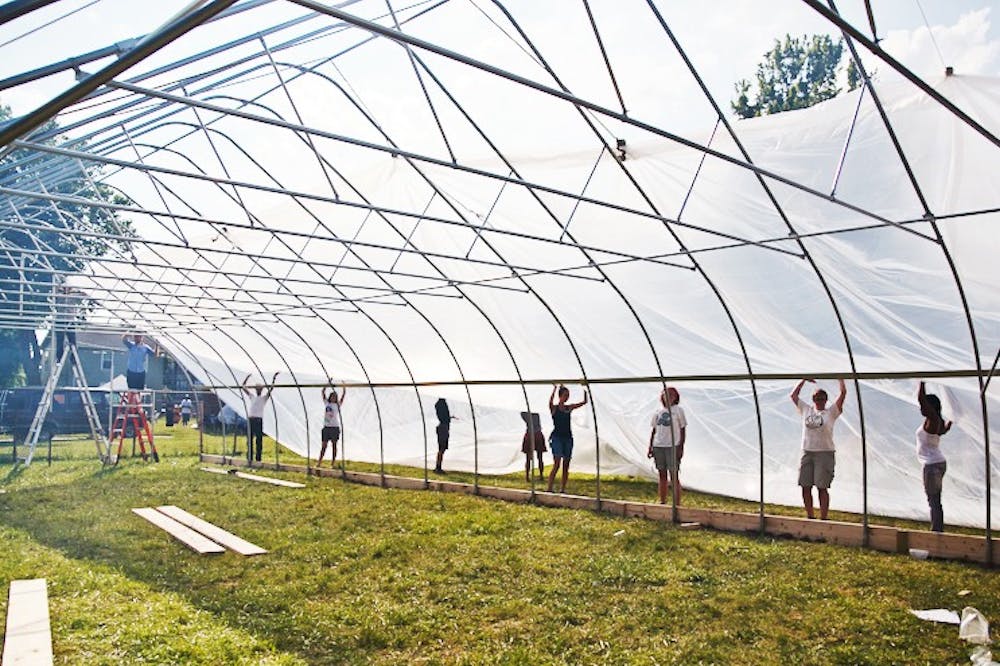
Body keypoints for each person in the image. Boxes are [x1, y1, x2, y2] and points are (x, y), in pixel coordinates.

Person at [790, 377, 847, 520]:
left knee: (822, 487)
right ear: (813, 400)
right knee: (805, 485)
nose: (819, 401)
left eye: (822, 398)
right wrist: (803, 380)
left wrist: (840, 380)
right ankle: (810, 516)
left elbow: (843, 394)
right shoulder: (806, 410)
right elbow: (793, 396)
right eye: (816, 398)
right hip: (807, 451)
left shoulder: (831, 412)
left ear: (826, 400)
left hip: (824, 453)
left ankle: (823, 518)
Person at [917, 381, 952, 532]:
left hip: (932, 465)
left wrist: (921, 381)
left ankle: (937, 531)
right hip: (938, 462)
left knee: (933, 500)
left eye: (924, 407)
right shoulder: (937, 422)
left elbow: (921, 399)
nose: (921, 409)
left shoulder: (933, 420)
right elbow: (945, 430)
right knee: (935, 499)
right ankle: (938, 529)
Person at [647, 387, 687, 505]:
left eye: (670, 395)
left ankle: (676, 503)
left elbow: (683, 429)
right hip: (659, 445)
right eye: (665, 395)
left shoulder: (678, 411)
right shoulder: (658, 412)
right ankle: (662, 501)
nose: (667, 397)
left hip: (672, 446)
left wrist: (680, 446)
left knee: (673, 474)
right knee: (662, 474)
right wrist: (650, 446)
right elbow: (654, 430)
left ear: (675, 397)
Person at [546, 384, 588, 493]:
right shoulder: (554, 408)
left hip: (568, 438)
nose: (567, 397)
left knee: (566, 465)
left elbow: (584, 402)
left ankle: (562, 489)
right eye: (565, 395)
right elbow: (549, 403)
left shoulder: (568, 408)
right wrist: (554, 389)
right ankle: (549, 488)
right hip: (557, 437)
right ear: (560, 396)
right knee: (557, 463)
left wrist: (585, 389)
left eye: (568, 395)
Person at [242, 372, 279, 463]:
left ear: (261, 390)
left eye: (260, 389)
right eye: (257, 389)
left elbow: (271, 389)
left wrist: (274, 379)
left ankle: (258, 458)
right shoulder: (252, 397)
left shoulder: (264, 398)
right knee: (250, 439)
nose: (258, 390)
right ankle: (250, 457)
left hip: (258, 420)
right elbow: (243, 387)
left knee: (259, 439)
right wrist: (247, 377)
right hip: (251, 419)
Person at [319, 380, 346, 468]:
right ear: (330, 397)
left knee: (334, 445)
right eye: (332, 396)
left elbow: (343, 397)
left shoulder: (337, 405)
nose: (333, 398)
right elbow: (322, 392)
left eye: (335, 397)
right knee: (324, 446)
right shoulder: (327, 403)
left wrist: (344, 387)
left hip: (334, 428)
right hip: (326, 427)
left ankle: (333, 463)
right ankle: (319, 461)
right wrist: (328, 383)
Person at [521, 411, 546, 483]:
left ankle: (536, 475)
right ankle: (530, 476)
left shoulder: (527, 412)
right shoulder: (528, 411)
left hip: (533, 433)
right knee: (534, 457)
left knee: (536, 457)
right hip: (534, 433)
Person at [433, 398, 456, 474]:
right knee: (442, 448)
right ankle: (438, 468)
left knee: (442, 449)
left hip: (442, 427)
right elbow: (444, 417)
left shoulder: (439, 404)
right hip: (443, 428)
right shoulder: (442, 404)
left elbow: (443, 417)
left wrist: (449, 417)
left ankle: (438, 467)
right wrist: (448, 418)